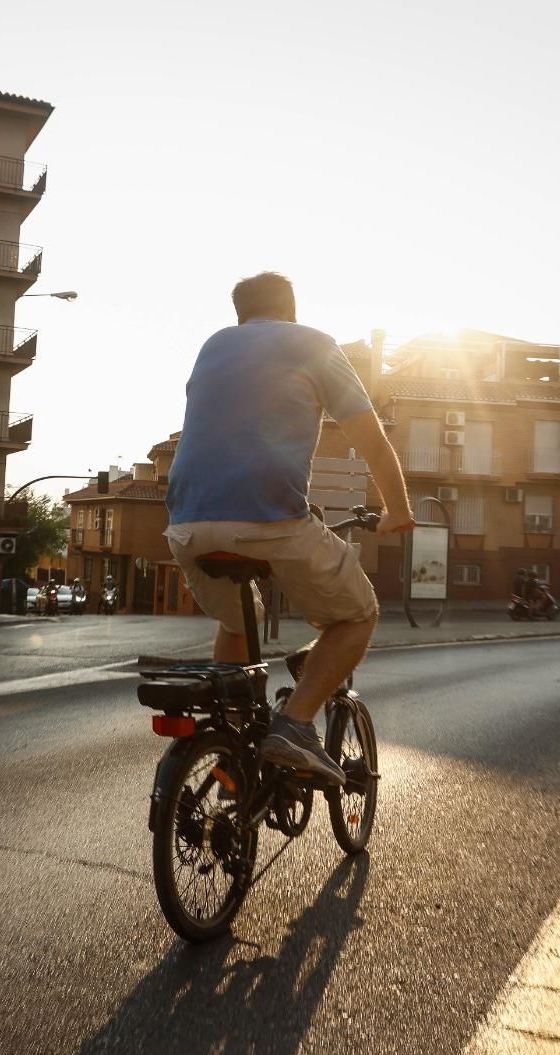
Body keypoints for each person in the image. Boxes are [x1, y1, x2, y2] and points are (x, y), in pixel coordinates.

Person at [164, 272, 415, 784]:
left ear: (241, 314)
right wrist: (397, 509)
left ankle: (233, 750)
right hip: (270, 520)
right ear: (291, 308)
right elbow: (371, 439)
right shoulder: (313, 343)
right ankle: (295, 725)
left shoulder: (213, 346)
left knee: (239, 618)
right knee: (358, 614)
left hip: (187, 525)